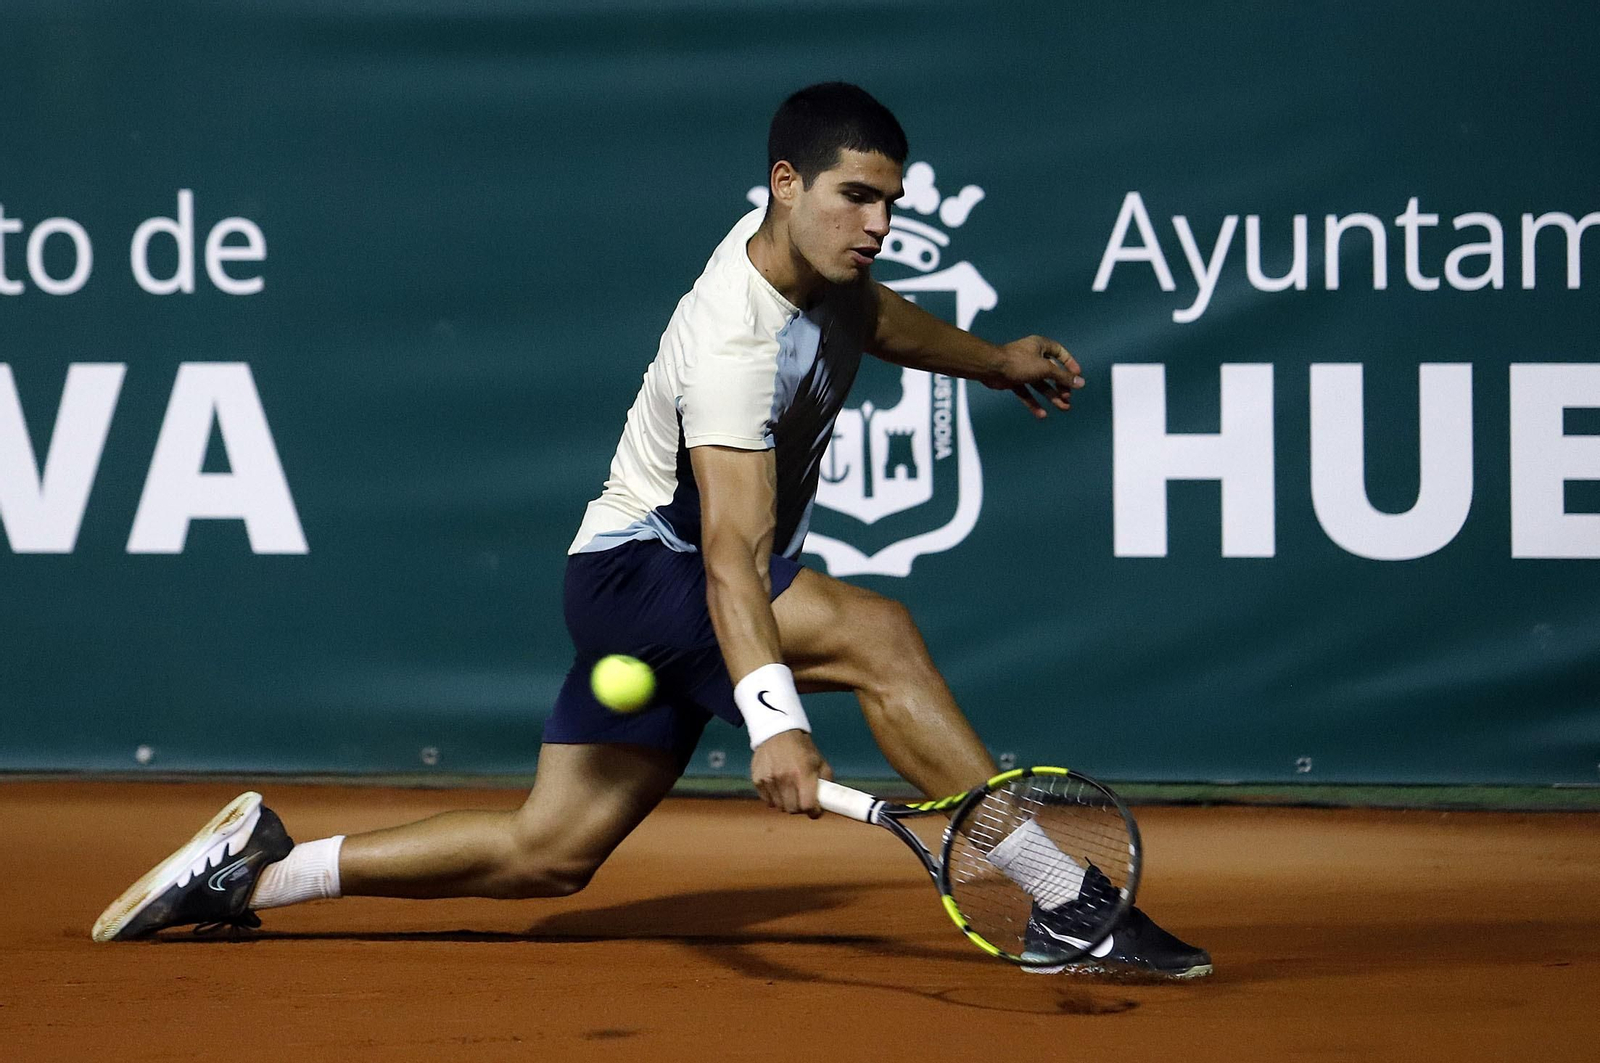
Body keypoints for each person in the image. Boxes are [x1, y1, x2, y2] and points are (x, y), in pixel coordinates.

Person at [92, 82, 1210, 979]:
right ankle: (1065, 901)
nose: (876, 224)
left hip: (653, 589)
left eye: (890, 204)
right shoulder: (732, 340)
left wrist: (993, 359)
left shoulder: (818, 264)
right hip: (648, 574)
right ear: (785, 184)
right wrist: (772, 721)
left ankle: (258, 872)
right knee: (877, 634)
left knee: (549, 852)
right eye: (856, 198)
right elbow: (730, 554)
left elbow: (873, 317)